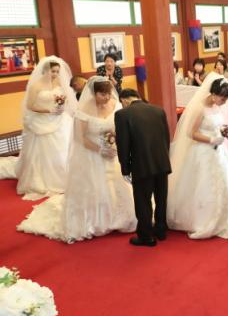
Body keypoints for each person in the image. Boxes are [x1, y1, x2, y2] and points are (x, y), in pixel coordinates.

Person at [17, 77, 136, 242]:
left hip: (112, 151)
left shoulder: (115, 105)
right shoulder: (84, 109)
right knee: (96, 185)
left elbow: (119, 128)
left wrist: (114, 144)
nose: (107, 97)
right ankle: (96, 220)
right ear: (94, 93)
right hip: (92, 153)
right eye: (102, 94)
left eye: (109, 93)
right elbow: (81, 138)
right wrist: (101, 149)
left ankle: (119, 215)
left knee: (118, 183)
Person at [168, 75, 228, 240]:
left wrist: (223, 131)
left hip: (218, 150)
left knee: (224, 180)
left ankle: (225, 213)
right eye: (222, 99)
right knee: (203, 184)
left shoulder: (216, 107)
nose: (224, 102)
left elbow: (216, 125)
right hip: (202, 151)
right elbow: (191, 133)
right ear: (213, 94)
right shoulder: (200, 109)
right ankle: (202, 218)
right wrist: (211, 139)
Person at [115, 88, 172, 247]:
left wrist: (125, 168)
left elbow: (123, 144)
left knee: (143, 201)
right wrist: (164, 158)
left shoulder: (122, 115)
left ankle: (146, 236)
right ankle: (161, 230)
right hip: (161, 162)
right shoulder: (158, 111)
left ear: (124, 100)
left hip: (141, 164)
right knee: (161, 198)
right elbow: (166, 138)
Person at [16, 56, 76, 200]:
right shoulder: (35, 86)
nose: (55, 74)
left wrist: (61, 107)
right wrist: (48, 111)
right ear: (45, 71)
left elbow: (66, 99)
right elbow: (30, 106)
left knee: (64, 149)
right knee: (43, 152)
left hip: (60, 120)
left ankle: (68, 176)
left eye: (57, 71)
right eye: (52, 71)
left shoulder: (59, 83)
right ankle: (46, 180)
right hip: (41, 121)